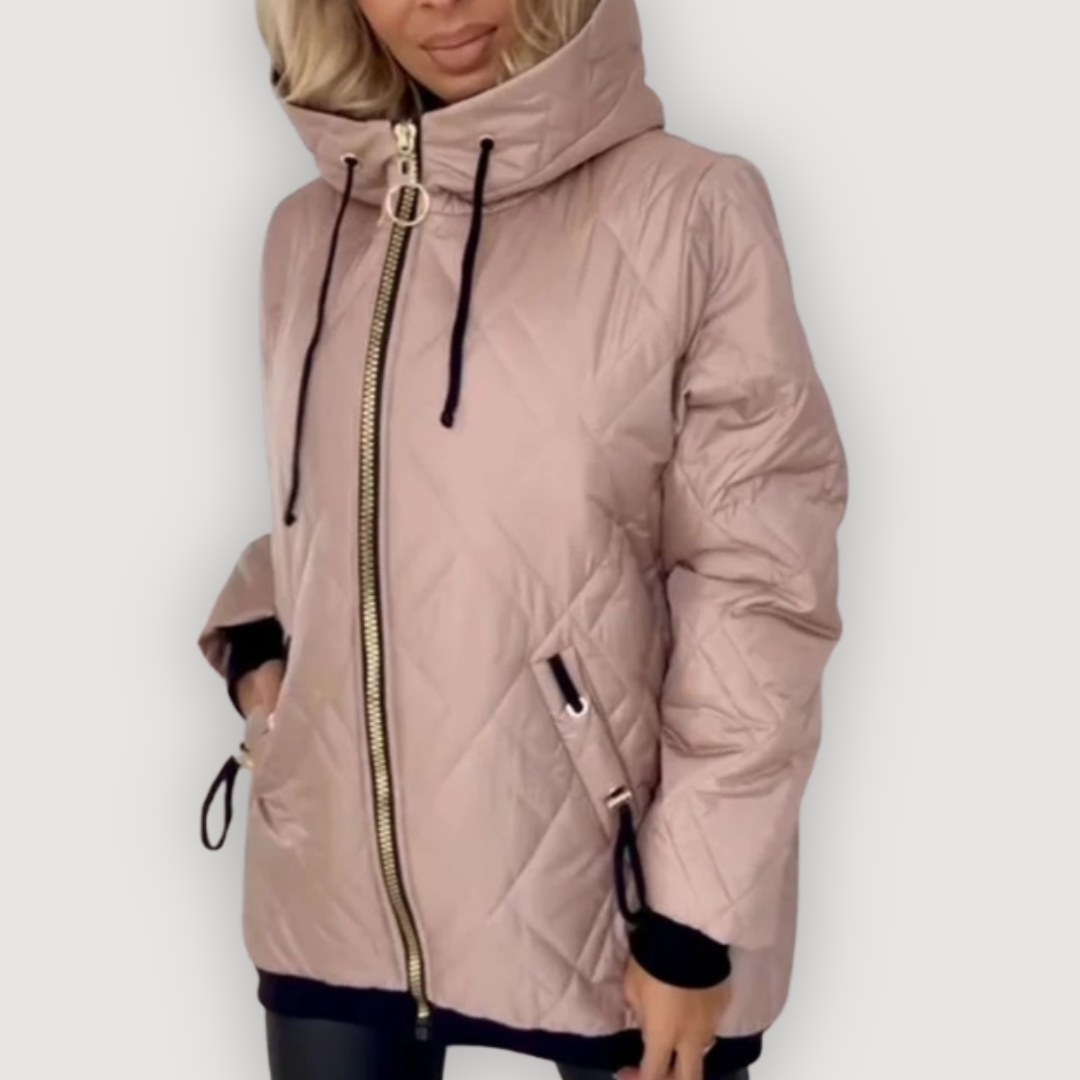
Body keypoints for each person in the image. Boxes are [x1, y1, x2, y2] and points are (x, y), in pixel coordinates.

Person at [195, 0, 849, 1077]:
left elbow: (760, 582)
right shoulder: (307, 231)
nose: (439, 5)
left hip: (613, 905)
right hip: (331, 889)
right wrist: (260, 636)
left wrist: (695, 914)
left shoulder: (691, 208)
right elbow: (338, 505)